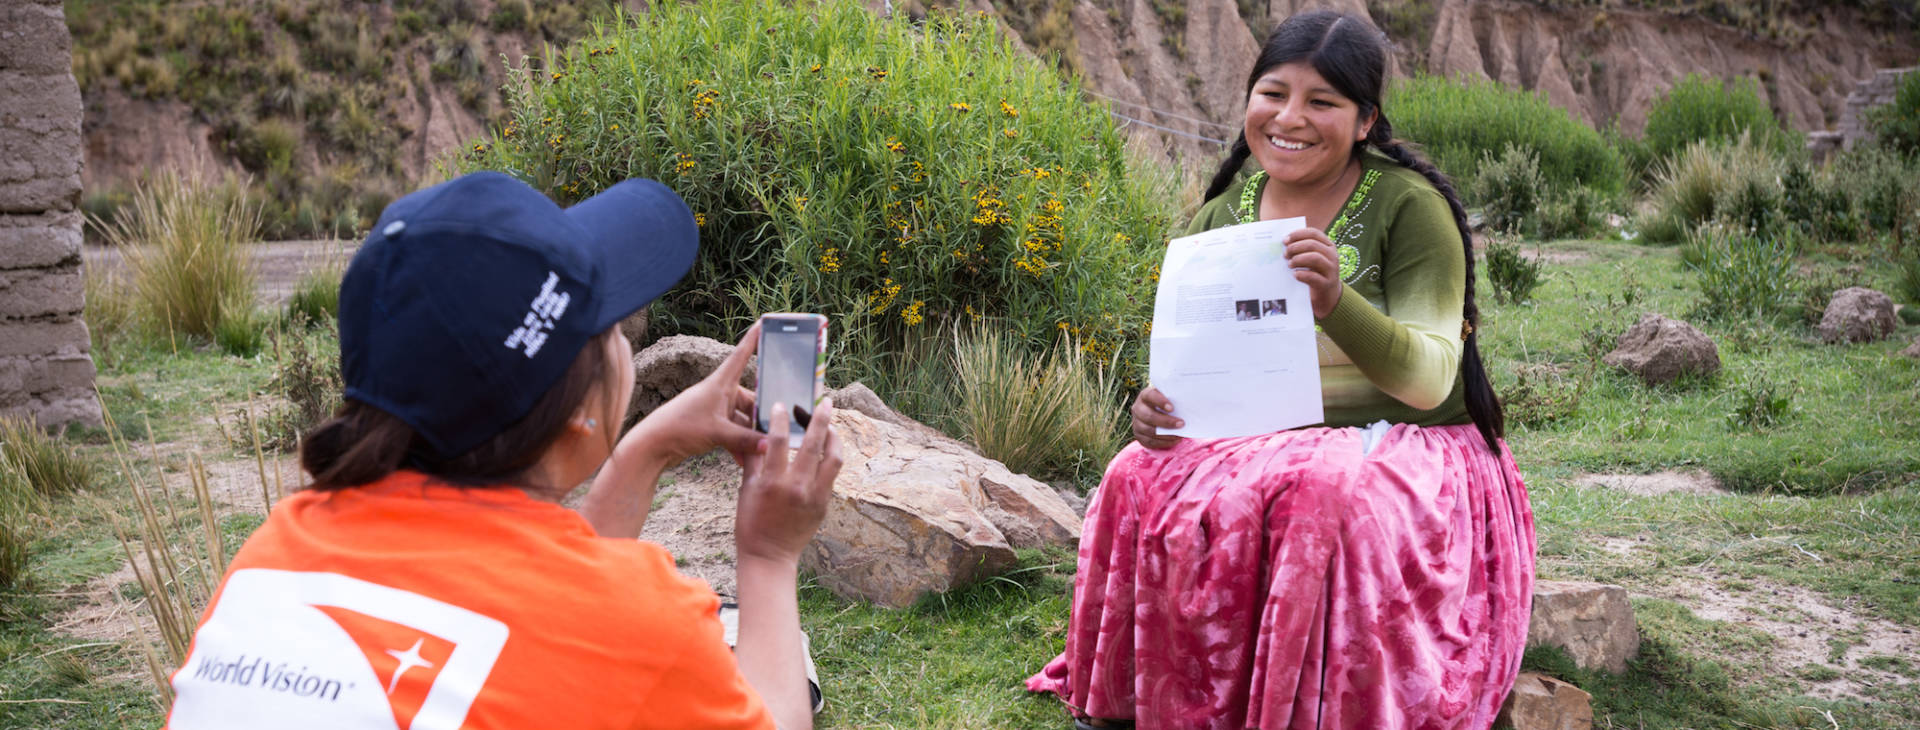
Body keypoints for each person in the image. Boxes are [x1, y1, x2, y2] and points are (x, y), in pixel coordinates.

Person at [165, 172, 841, 730]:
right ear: (578, 412)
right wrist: (769, 555)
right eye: (612, 326)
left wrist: (646, 449)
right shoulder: (642, 624)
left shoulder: (273, 560)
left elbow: (527, 611)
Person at [1027, 11, 1535, 730]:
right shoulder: (1217, 220)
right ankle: (1139, 701)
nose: (1290, 117)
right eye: (1273, 93)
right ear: (1248, 101)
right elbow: (1195, 370)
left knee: (1318, 491)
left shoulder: (1407, 208)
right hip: (1263, 440)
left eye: (1322, 102)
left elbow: (1427, 380)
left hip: (1407, 444)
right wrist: (1155, 412)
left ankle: (1303, 706)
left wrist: (1335, 300)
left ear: (1364, 122)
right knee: (1130, 476)